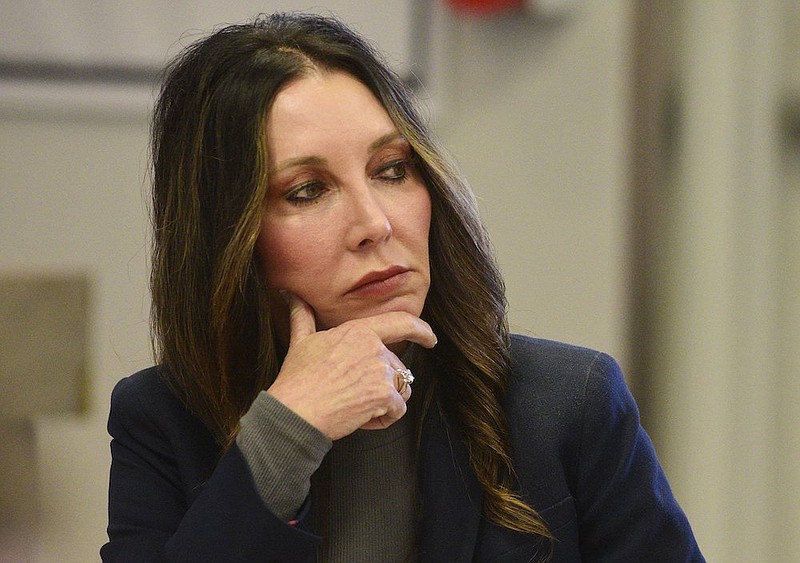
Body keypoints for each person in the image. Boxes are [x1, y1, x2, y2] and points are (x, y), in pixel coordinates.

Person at [101, 12, 704, 562]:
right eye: (307, 190)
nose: (374, 224)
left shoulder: (569, 405)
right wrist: (286, 431)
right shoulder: (160, 419)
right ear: (228, 237)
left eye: (391, 170)